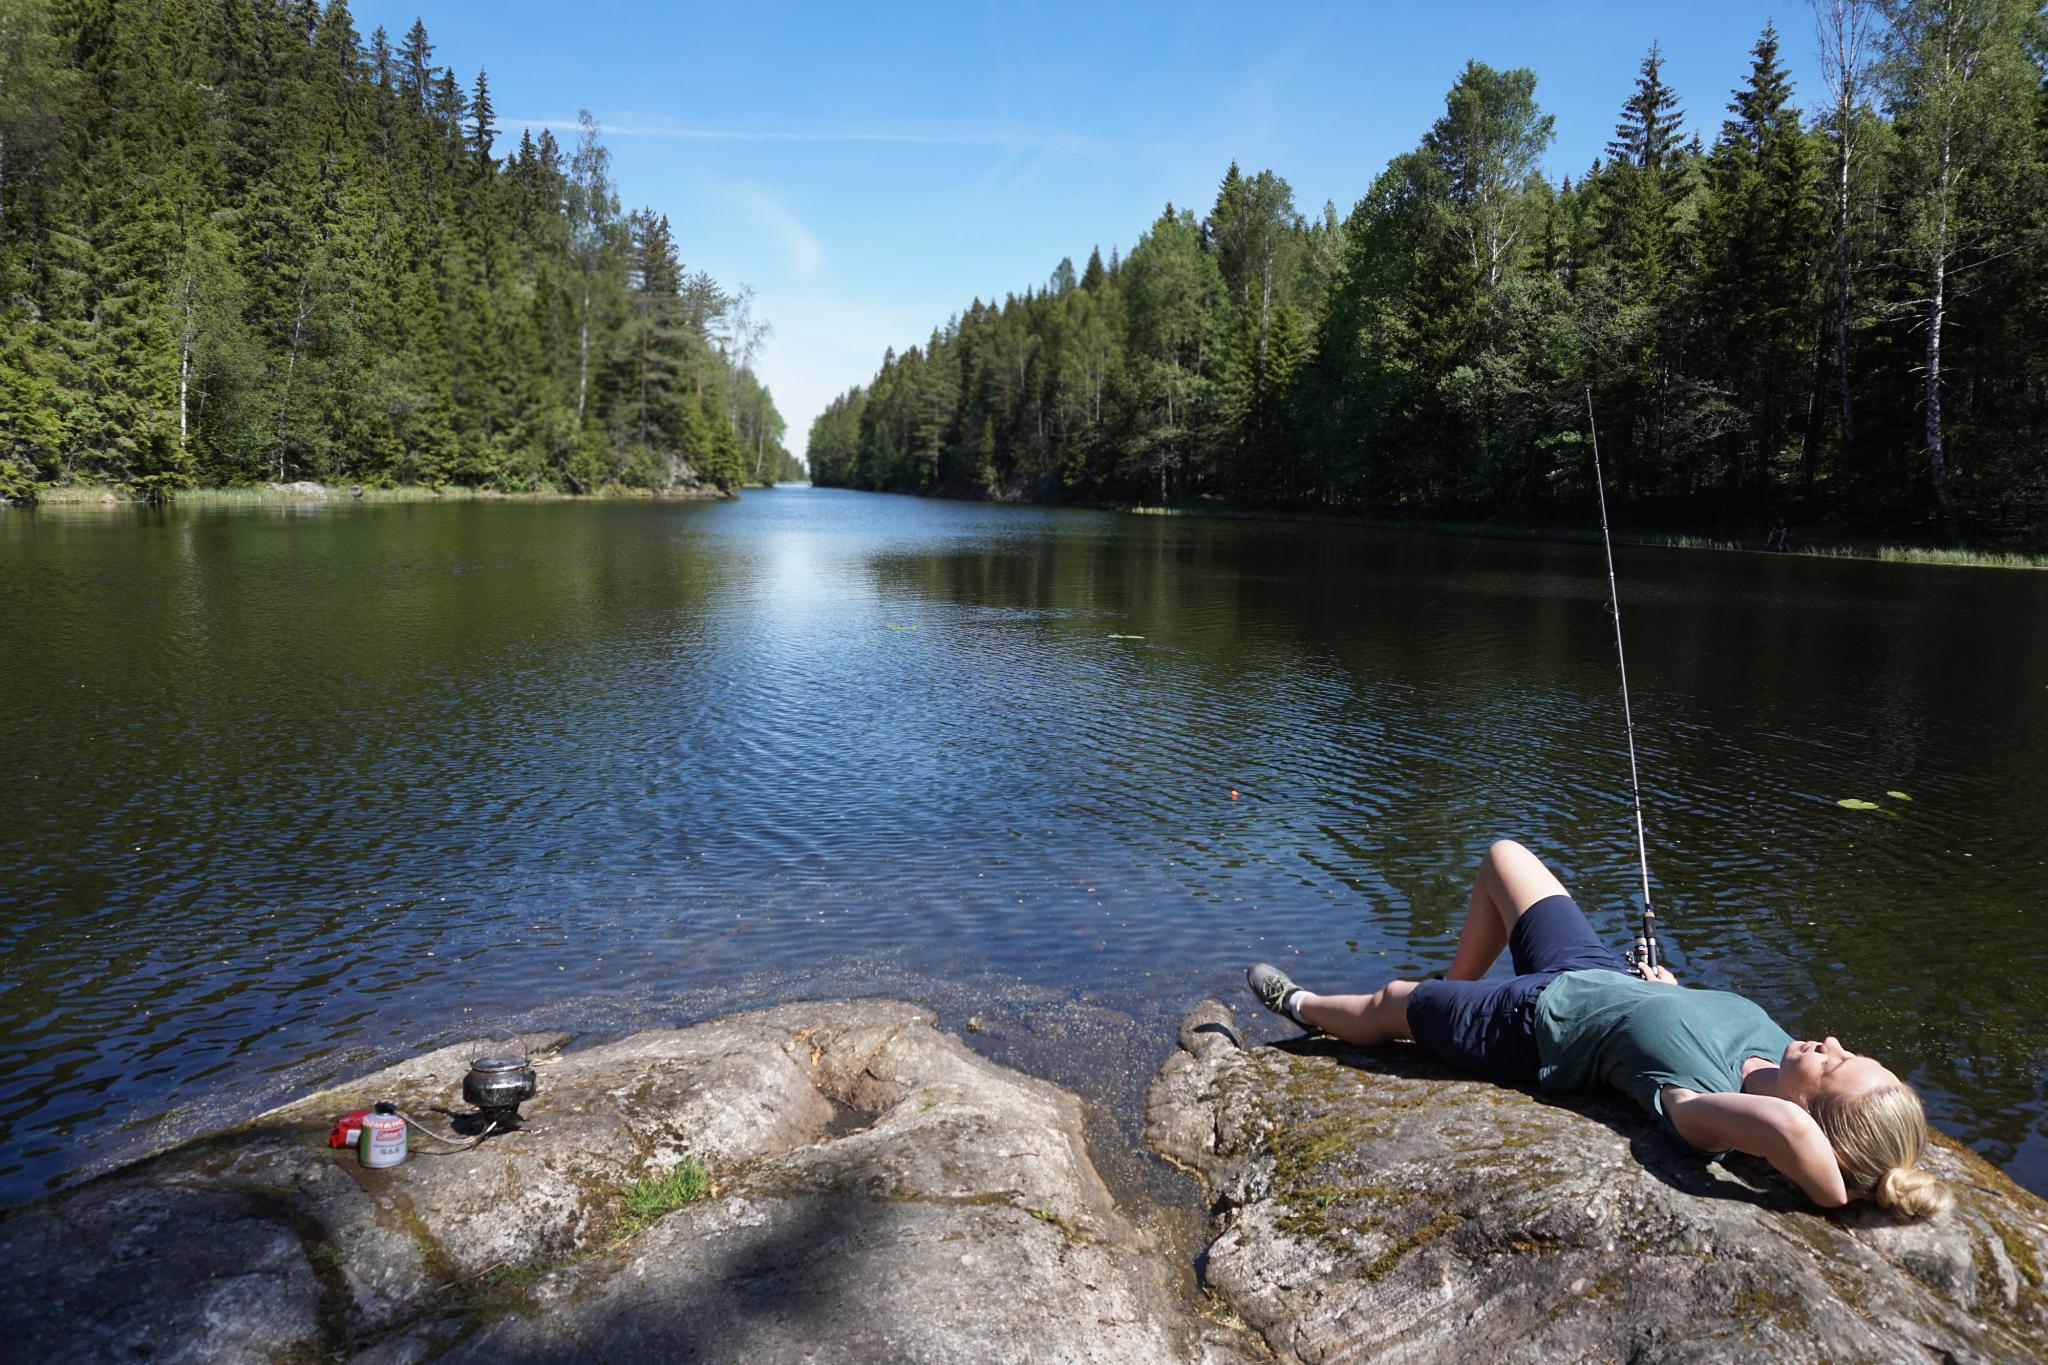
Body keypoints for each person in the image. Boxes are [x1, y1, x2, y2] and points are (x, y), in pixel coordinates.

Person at [1247, 839, 1952, 1218]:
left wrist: (1849, 1185)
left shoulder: (1702, 1107)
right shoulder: (1775, 1048)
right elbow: (1697, 1018)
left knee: (1398, 1000)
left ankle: (1306, 1005)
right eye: (1848, 1051)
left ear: (1800, 1114)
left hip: (1534, 1023)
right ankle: (1455, 991)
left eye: (1833, 1066)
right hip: (1590, 971)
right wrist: (1670, 989)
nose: (1830, 1043)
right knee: (1505, 857)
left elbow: (1807, 1156)